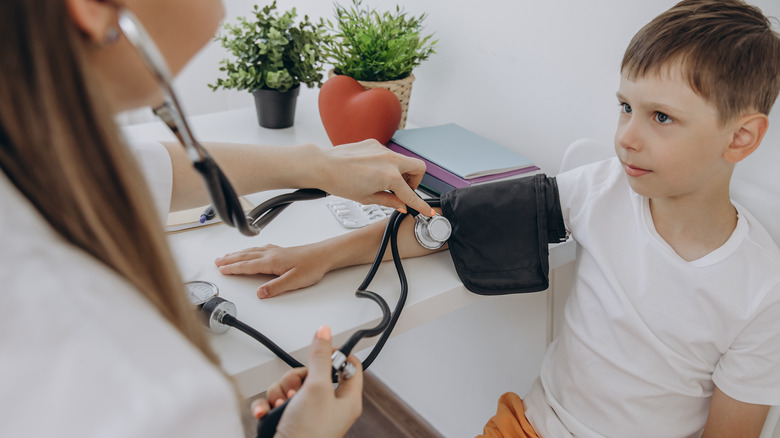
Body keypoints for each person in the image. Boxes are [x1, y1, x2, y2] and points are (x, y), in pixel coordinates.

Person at [214, 0, 780, 436]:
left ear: (741, 136)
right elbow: (454, 225)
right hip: (530, 425)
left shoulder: (761, 291)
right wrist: (319, 255)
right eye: (625, 107)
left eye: (661, 117)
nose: (626, 137)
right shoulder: (604, 188)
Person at [0, 0, 436, 436]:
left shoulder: (31, 146)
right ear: (93, 9)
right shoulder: (146, 389)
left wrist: (318, 165)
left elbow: (133, 168)